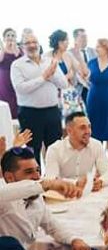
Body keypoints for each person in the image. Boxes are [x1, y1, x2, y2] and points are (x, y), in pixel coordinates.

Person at [10, 33, 67, 165]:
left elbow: (64, 84)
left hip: (52, 112)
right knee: (32, 151)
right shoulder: (17, 65)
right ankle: (34, 183)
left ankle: (54, 181)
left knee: (55, 150)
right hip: (30, 114)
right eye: (28, 43)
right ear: (22, 47)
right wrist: (44, 77)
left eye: (34, 42)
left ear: (39, 44)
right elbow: (21, 88)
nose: (32, 45)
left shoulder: (50, 61)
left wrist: (52, 75)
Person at [44, 112, 108, 189]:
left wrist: (100, 181)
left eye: (89, 127)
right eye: (82, 128)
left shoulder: (96, 145)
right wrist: (76, 183)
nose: (88, 131)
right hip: (64, 194)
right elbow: (50, 179)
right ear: (69, 131)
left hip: (89, 193)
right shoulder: (54, 149)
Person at [68, 28, 96, 104]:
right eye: (82, 37)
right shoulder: (69, 53)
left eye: (86, 36)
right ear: (75, 39)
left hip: (94, 87)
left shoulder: (94, 51)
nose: (85, 39)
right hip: (77, 88)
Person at [0, 28, 22, 118]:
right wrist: (4, 49)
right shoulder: (2, 50)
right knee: (5, 101)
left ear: (16, 38)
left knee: (16, 101)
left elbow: (21, 60)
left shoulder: (20, 50)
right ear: (4, 38)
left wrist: (15, 49)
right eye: (8, 35)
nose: (10, 37)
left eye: (12, 35)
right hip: (4, 78)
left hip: (16, 78)